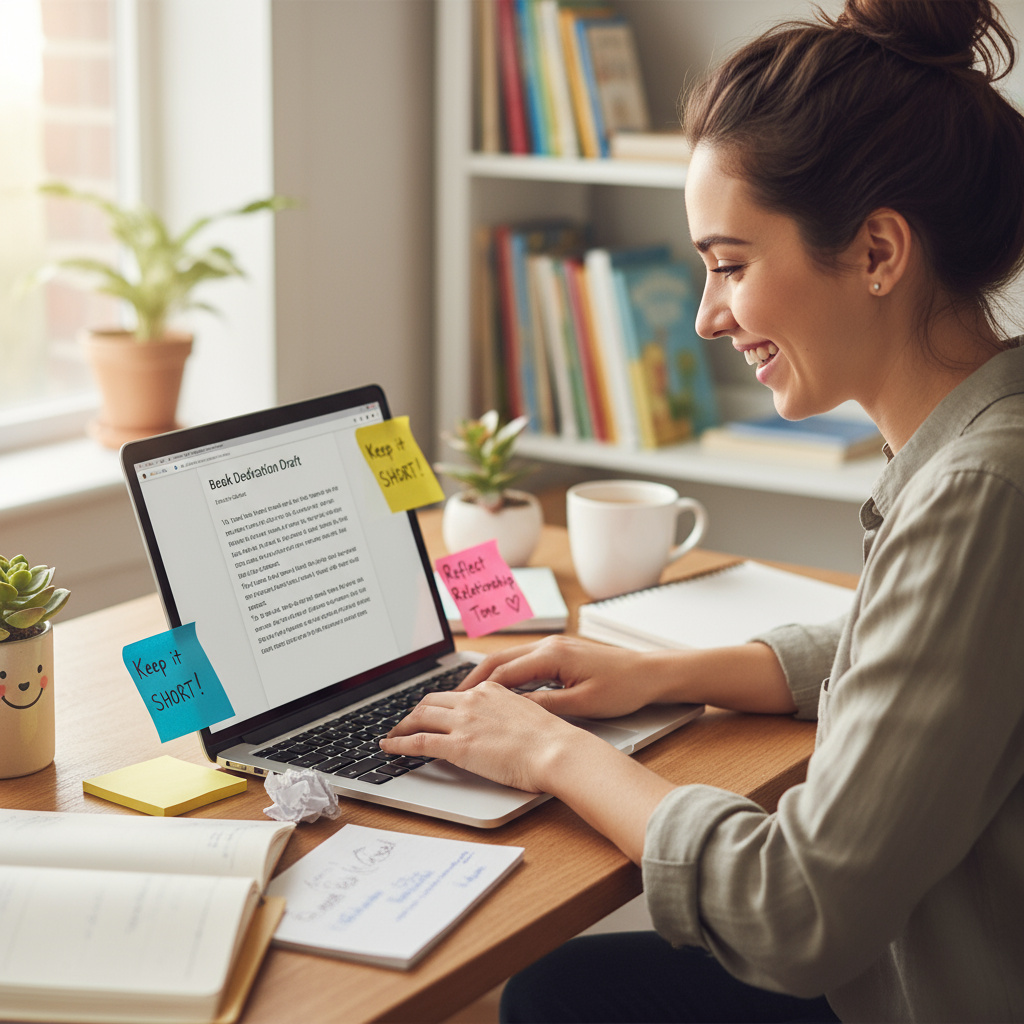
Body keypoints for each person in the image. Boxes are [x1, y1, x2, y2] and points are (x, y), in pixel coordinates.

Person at [382, 0, 1024, 1019]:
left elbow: (797, 907)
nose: (704, 314)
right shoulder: (985, 435)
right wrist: (663, 674)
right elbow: (916, 645)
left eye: (730, 264)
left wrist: (550, 751)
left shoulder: (980, 492)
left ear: (877, 252)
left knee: (555, 999)